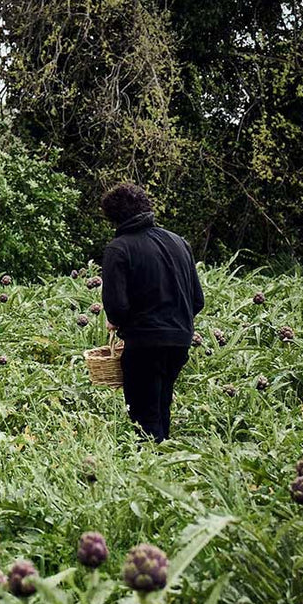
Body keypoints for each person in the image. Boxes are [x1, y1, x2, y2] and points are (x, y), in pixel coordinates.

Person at [99, 183, 204, 442]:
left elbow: (117, 308)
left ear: (113, 217)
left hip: (145, 343)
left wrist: (116, 322)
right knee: (160, 407)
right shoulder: (179, 242)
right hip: (179, 340)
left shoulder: (118, 248)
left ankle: (151, 467)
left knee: (145, 417)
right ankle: (166, 463)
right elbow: (198, 301)